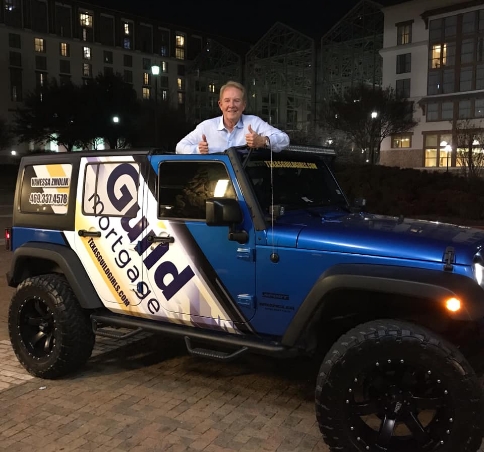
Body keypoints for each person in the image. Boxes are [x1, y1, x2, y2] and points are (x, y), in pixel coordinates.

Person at [176, 80, 290, 154]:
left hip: (246, 186)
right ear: (220, 105)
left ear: (243, 105)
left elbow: (285, 139)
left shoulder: (254, 123)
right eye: (227, 101)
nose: (231, 105)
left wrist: (264, 141)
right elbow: (179, 147)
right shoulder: (206, 127)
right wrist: (197, 150)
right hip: (213, 186)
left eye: (236, 101)